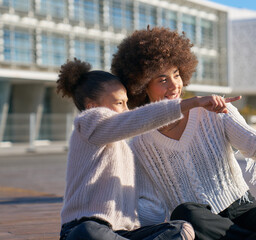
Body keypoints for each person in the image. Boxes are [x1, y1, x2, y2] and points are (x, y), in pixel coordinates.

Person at [111, 27, 256, 240]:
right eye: (162, 80)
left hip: (245, 211)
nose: (174, 85)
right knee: (185, 214)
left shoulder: (213, 111)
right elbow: (151, 208)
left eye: (176, 75)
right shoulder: (140, 143)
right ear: (141, 86)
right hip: (202, 226)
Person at [57, 58, 239, 240]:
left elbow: (147, 206)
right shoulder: (87, 123)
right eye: (119, 103)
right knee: (88, 231)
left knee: (181, 228)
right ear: (92, 106)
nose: (127, 110)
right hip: (81, 230)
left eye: (127, 102)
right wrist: (192, 103)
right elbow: (134, 120)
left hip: (120, 233)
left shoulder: (125, 148)